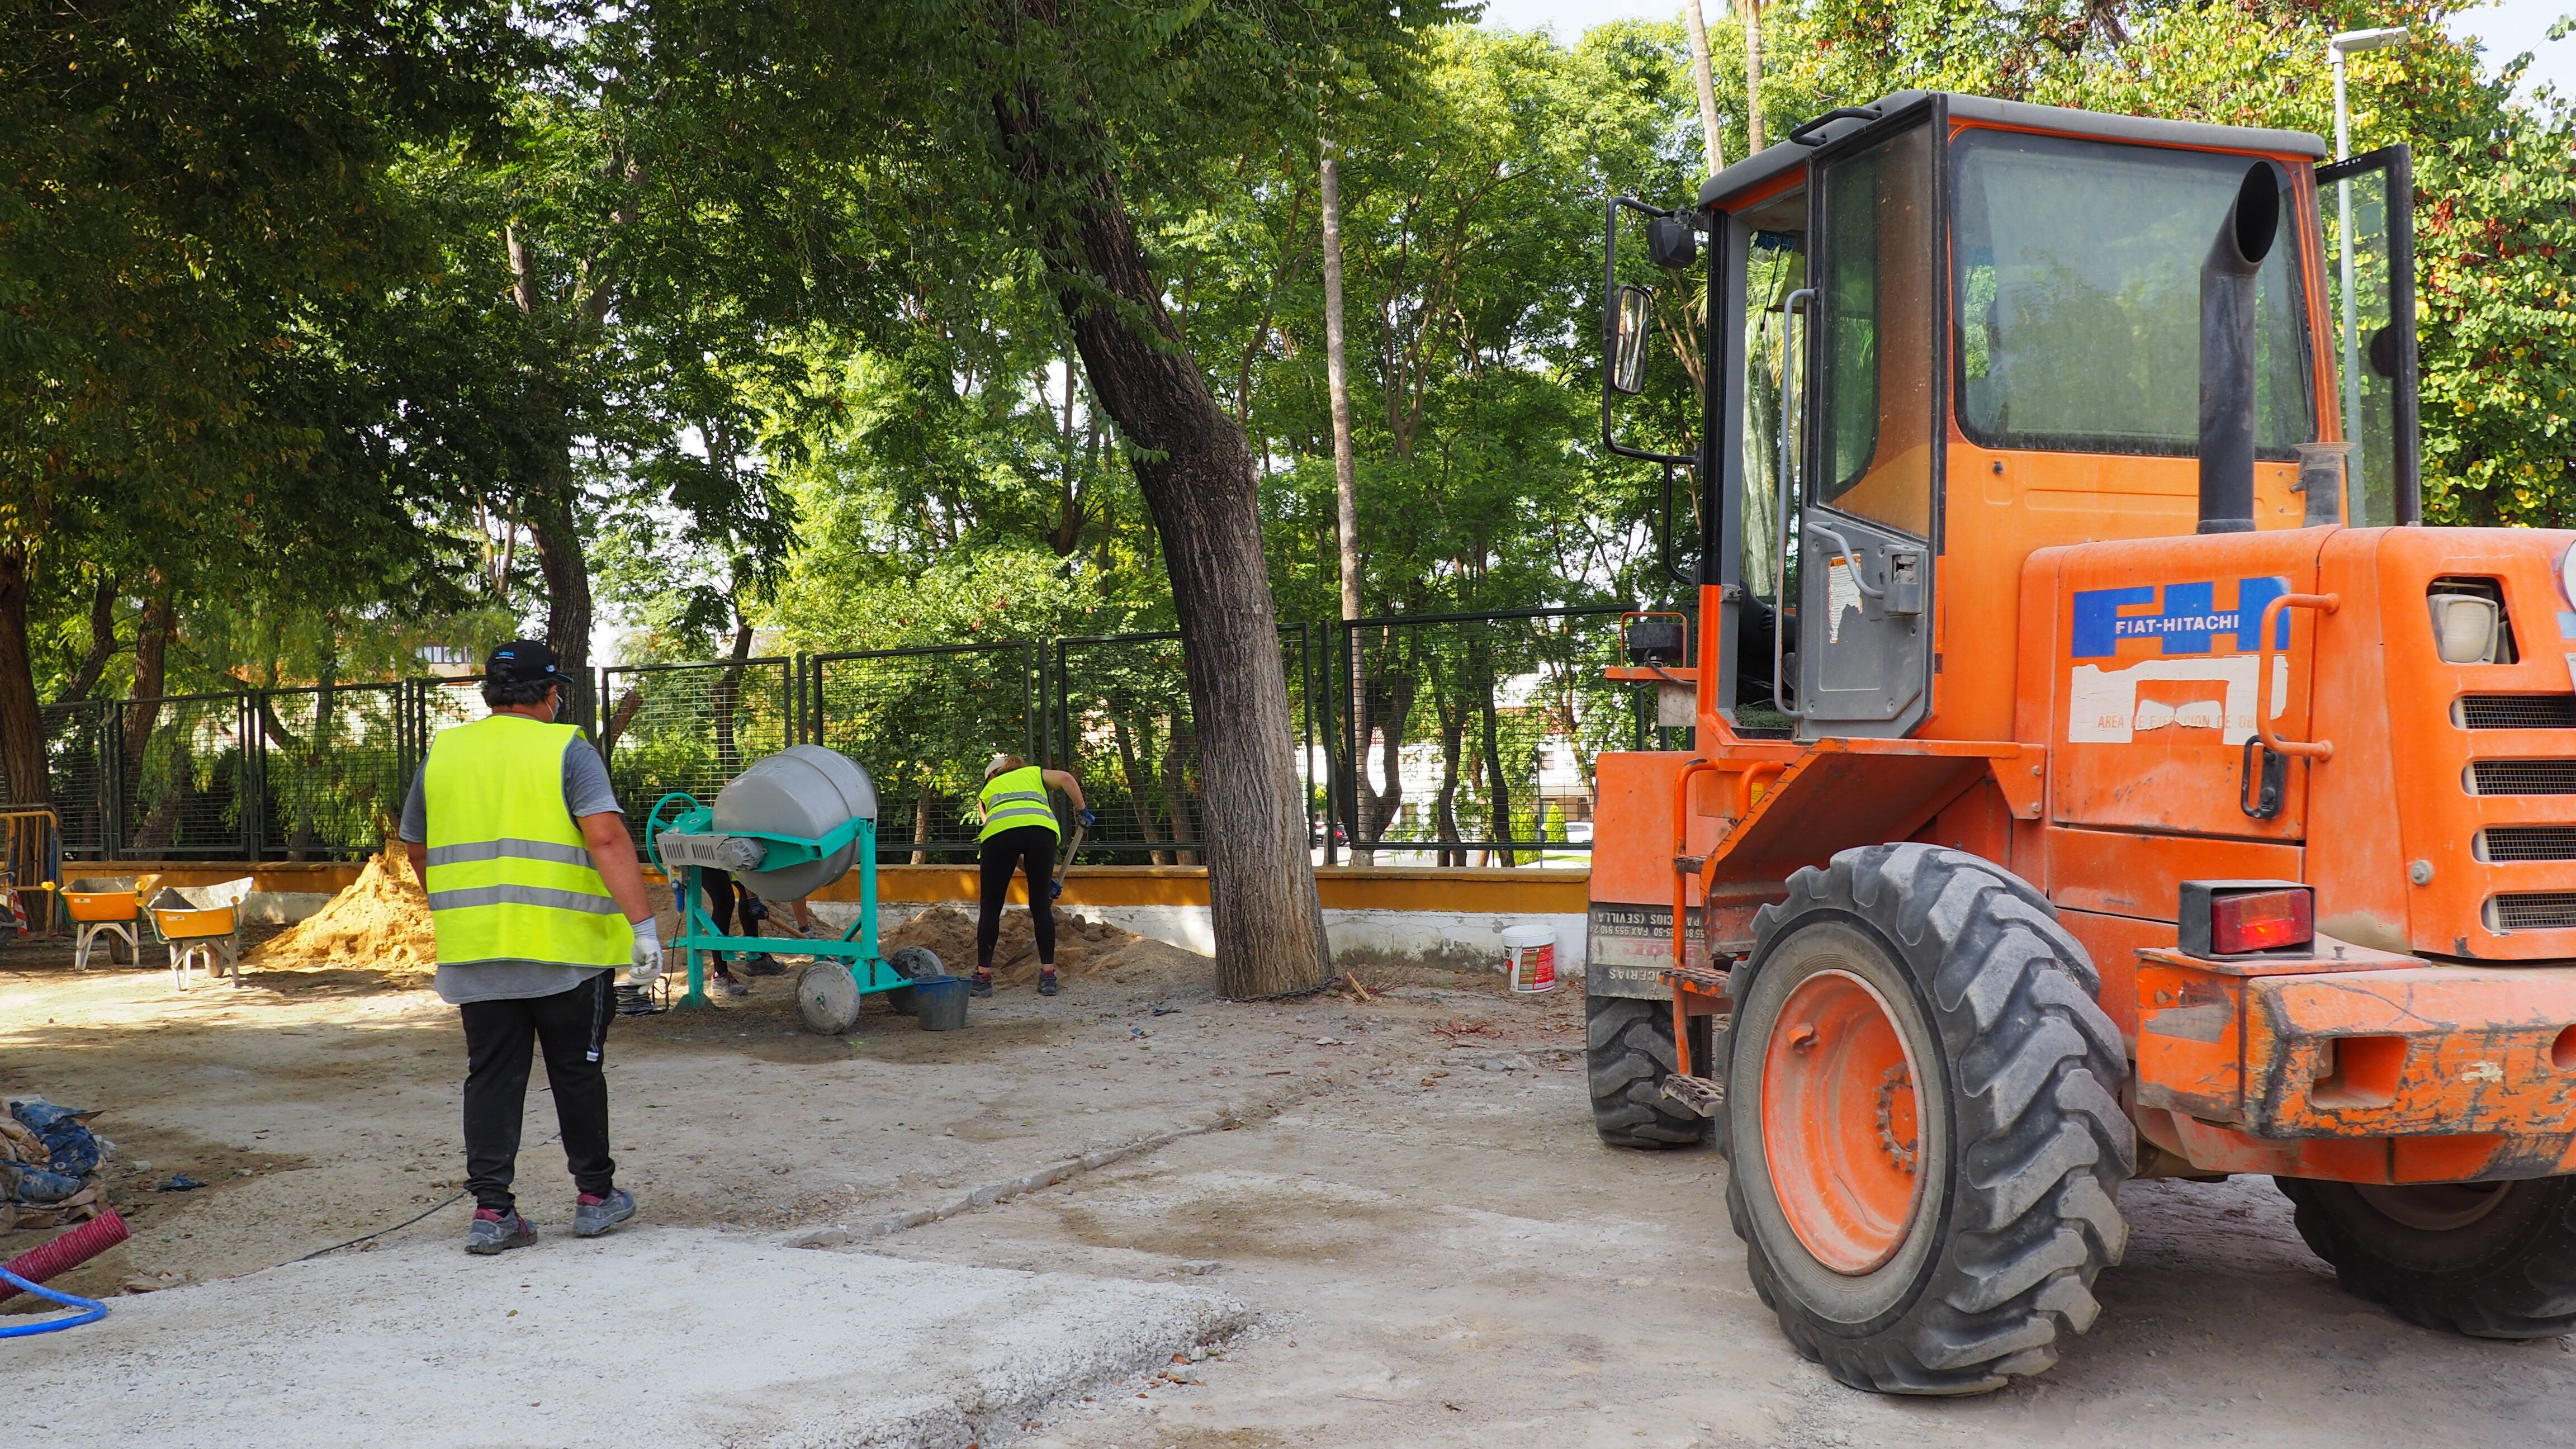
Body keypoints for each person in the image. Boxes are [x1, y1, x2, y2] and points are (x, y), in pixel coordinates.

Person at [398, 640, 660, 1256]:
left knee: (489, 1076)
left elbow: (416, 848)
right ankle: (595, 1199)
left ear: (490, 693)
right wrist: (643, 926)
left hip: (476, 950)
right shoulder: (567, 749)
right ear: (550, 694)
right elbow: (606, 837)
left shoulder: (444, 753)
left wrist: (457, 910)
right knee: (577, 1072)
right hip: (566, 951)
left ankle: (493, 1214)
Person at [972, 753, 1087, 998]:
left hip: (999, 836)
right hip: (1041, 832)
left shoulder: (986, 793)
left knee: (991, 908)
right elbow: (1066, 778)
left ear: (992, 775)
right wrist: (1082, 810)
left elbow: (1005, 843)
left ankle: (983, 978)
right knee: (1040, 906)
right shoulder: (1034, 773)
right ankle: (1048, 975)